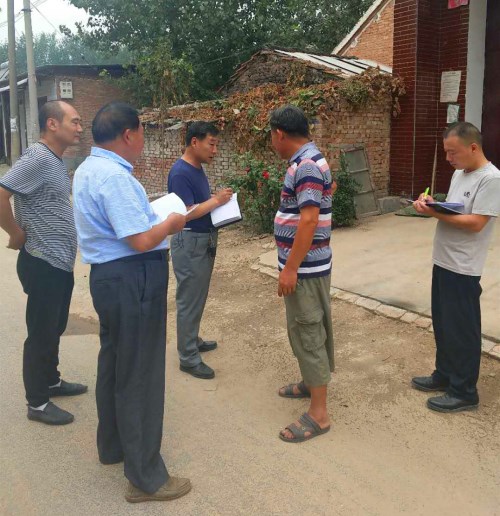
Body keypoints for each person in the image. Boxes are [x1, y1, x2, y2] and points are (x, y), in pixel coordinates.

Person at [72, 102, 190, 502]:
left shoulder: (88, 169)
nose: (142, 140)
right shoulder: (114, 177)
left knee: (116, 362)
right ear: (128, 134)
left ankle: (114, 446)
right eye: (141, 132)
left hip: (109, 279)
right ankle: (146, 478)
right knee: (140, 373)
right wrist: (171, 223)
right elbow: (140, 240)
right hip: (132, 278)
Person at [0, 100, 87, 426]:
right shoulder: (37, 157)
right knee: (41, 333)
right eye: (74, 122)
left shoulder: (53, 159)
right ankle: (37, 403)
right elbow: (1, 193)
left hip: (59, 262)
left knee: (54, 327)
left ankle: (50, 381)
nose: (80, 128)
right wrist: (15, 232)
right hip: (42, 261)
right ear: (52, 124)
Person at [412, 122, 500, 413]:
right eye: (446, 152)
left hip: (464, 267)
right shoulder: (459, 173)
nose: (448, 158)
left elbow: (476, 223)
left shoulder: (491, 179)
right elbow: (456, 209)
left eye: (453, 152)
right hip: (443, 259)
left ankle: (464, 392)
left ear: (473, 147)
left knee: (462, 329)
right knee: (444, 323)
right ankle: (445, 374)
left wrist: (435, 213)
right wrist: (434, 204)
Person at [270, 105, 335, 443]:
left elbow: (309, 219)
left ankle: (319, 414)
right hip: (308, 266)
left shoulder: (306, 165)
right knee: (304, 328)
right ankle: (311, 383)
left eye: (271, 136)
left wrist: (291, 268)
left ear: (279, 134)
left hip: (305, 269)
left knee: (309, 332)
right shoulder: (309, 160)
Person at [168, 121, 233, 380]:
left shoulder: (195, 168)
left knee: (197, 295)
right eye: (211, 144)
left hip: (201, 240)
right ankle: (188, 357)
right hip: (190, 241)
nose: (215, 150)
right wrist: (216, 201)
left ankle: (192, 339)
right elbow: (184, 213)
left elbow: (198, 204)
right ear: (194, 142)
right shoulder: (180, 172)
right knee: (189, 299)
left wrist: (216, 200)